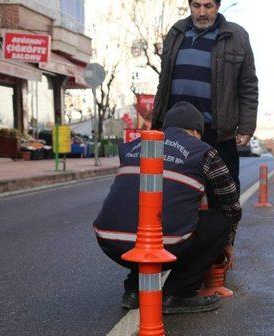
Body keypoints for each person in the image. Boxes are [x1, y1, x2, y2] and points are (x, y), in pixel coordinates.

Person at [93, 102, 242, 314]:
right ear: (194, 132)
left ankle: (135, 290)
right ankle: (178, 293)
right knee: (218, 222)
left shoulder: (133, 146)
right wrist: (225, 241)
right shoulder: (203, 151)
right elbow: (231, 205)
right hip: (162, 245)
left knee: (146, 213)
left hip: (110, 240)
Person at [152, 0, 258, 201]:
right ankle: (182, 233)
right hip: (175, 132)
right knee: (172, 195)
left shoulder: (237, 37)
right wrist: (157, 122)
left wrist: (246, 126)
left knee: (223, 197)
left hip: (216, 132)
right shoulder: (176, 33)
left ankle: (222, 233)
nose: (201, 12)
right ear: (190, 6)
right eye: (196, 5)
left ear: (218, 6)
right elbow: (163, 82)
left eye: (208, 6)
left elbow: (248, 86)